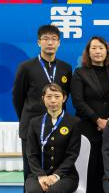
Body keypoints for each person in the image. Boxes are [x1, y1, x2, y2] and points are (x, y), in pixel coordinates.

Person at [23, 83, 82, 193]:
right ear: (43, 99)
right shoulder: (34, 123)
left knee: (54, 192)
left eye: (57, 97)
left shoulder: (74, 123)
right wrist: (40, 176)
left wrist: (56, 176)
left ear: (64, 98)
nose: (53, 101)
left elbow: (72, 155)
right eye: (49, 97)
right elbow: (31, 154)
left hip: (66, 176)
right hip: (37, 174)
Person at [70, 36, 109, 193]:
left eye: (101, 48)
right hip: (88, 130)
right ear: (88, 52)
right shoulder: (80, 73)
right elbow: (78, 102)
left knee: (107, 173)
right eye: (94, 48)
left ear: (107, 52)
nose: (98, 51)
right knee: (91, 174)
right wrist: (97, 120)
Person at [12, 25, 73, 180]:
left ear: (59, 43)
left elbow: (65, 97)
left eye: (54, 39)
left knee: (56, 172)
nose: (50, 43)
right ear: (39, 42)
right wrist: (27, 118)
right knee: (31, 173)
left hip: (57, 128)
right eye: (46, 39)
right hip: (32, 127)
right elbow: (18, 98)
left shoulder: (66, 68)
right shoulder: (26, 67)